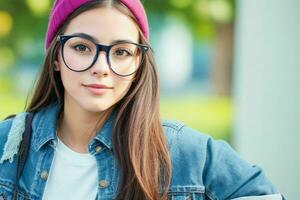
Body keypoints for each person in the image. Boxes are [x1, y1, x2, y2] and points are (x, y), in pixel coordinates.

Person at [0, 0, 285, 200]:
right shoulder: (7, 146)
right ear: (56, 58)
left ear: (138, 64)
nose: (101, 66)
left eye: (121, 52)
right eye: (82, 47)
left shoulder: (179, 150)